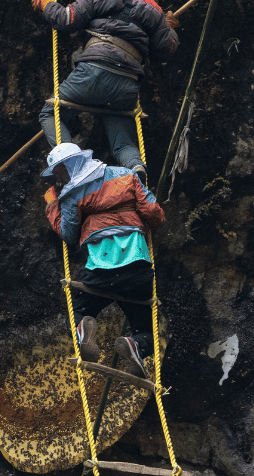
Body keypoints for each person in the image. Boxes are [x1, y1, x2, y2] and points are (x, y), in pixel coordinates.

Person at [31, 0, 179, 183]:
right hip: (126, 86)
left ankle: (73, 167)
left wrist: (46, 3)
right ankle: (136, 168)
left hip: (93, 72)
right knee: (123, 142)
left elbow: (65, 19)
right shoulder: (153, 9)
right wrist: (169, 30)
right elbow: (166, 50)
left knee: (50, 112)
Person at [42, 142, 165, 379]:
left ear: (71, 165)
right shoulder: (126, 176)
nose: (59, 179)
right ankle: (135, 344)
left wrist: (52, 203)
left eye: (60, 172)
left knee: (76, 311)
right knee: (146, 329)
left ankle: (83, 329)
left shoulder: (71, 193)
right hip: (137, 268)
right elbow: (154, 213)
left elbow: (68, 234)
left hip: (102, 270)